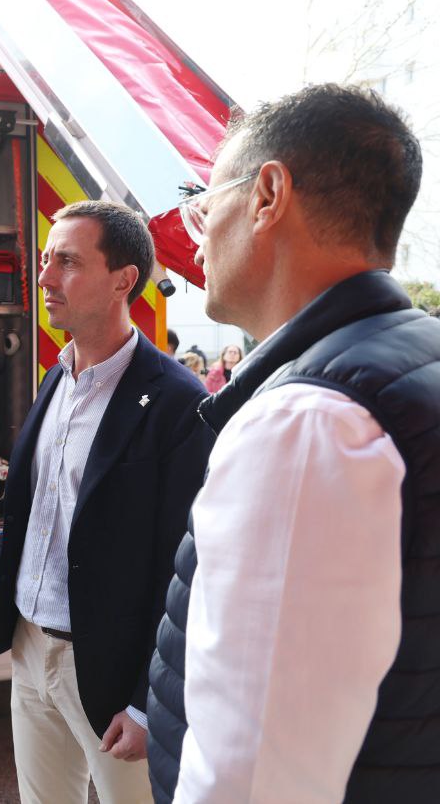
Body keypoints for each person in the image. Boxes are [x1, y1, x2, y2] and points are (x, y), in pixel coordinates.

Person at [147, 84, 440, 803]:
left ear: (268, 193)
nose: (196, 234)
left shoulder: (309, 423)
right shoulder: (412, 358)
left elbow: (253, 783)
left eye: (202, 205)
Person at [0, 201, 213, 804]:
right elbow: (39, 514)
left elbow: (188, 566)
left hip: (112, 670)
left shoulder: (175, 400)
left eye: (66, 261)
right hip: (29, 648)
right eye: (45, 260)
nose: (44, 279)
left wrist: (150, 702)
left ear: (124, 279)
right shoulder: (56, 380)